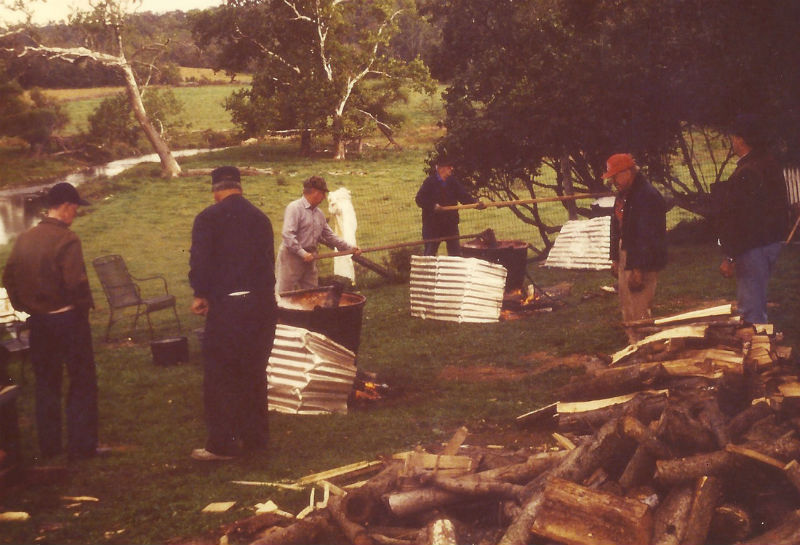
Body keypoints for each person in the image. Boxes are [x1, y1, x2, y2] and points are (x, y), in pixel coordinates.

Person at [2, 182, 101, 460]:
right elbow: (75, 283)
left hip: (40, 323)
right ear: (67, 207)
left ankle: (50, 446)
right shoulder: (67, 239)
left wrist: (26, 307)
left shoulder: (25, 237)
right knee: (82, 381)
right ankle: (83, 445)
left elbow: (8, 278)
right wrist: (82, 310)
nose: (75, 215)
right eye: (76, 209)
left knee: (47, 383)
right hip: (68, 320)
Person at [189, 166, 277, 461]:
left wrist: (200, 294)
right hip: (261, 307)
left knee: (220, 375)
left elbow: (200, 262)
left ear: (216, 190)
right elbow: (267, 266)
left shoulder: (207, 219)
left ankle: (222, 445)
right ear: (239, 187)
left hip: (227, 308)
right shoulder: (260, 219)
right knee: (254, 371)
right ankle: (255, 438)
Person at [712, 115, 789, 325]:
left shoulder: (747, 172)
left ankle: (757, 350)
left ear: (741, 140)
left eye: (734, 138)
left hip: (752, 248)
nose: (732, 142)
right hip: (771, 243)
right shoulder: (769, 164)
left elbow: (739, 219)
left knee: (750, 308)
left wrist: (729, 256)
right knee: (758, 299)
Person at [604, 153, 667, 343]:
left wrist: (638, 269)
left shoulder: (647, 196)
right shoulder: (624, 195)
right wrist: (615, 258)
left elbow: (647, 236)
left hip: (643, 255)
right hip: (628, 251)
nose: (613, 181)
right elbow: (616, 226)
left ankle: (645, 344)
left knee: (639, 304)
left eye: (615, 176)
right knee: (627, 302)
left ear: (628, 172)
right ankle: (634, 342)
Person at [276, 176, 360, 294]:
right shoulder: (294, 208)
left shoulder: (319, 214)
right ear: (315, 192)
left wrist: (350, 248)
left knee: (311, 293)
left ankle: (309, 313)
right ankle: (282, 312)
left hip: (311, 258)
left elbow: (330, 236)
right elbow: (287, 235)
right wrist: (302, 253)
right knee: (284, 293)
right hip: (292, 257)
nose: (324, 198)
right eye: (323, 194)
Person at [415, 154, 483, 256]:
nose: (451, 168)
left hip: (450, 224)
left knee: (455, 254)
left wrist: (476, 203)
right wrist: (433, 206)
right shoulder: (429, 182)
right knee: (430, 254)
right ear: (441, 168)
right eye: (449, 167)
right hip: (433, 225)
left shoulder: (452, 182)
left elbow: (463, 196)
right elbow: (419, 199)